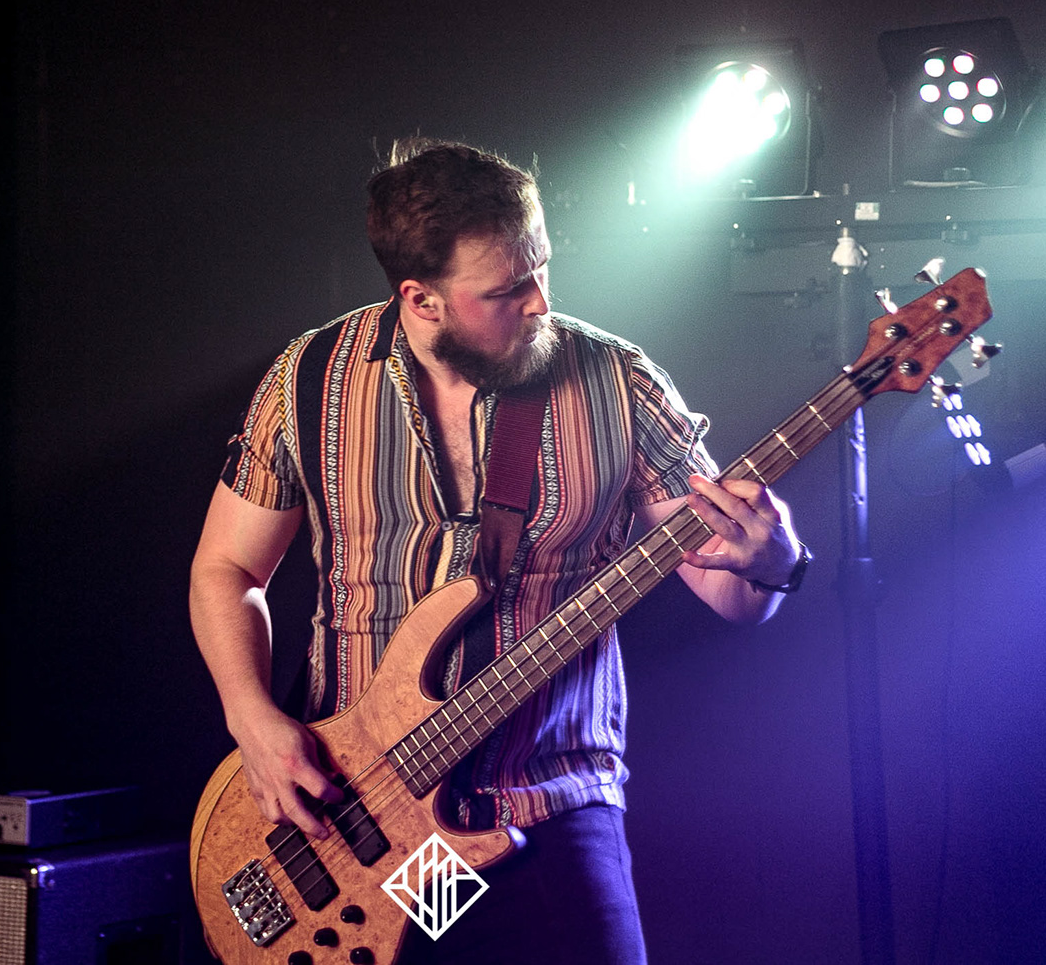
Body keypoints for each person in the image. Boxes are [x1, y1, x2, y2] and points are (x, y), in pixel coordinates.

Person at [188, 140, 809, 964]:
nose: (540, 300)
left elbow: (727, 587)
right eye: (507, 288)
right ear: (421, 298)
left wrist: (772, 562)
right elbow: (226, 569)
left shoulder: (617, 384)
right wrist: (253, 720)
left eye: (541, 267)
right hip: (364, 821)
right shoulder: (310, 383)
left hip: (545, 802)